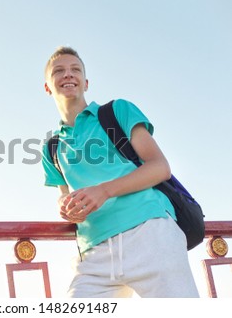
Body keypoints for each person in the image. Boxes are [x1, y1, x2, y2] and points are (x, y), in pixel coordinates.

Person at [41, 46, 199, 298]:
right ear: (48, 87)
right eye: (58, 71)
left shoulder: (117, 111)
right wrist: (64, 206)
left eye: (75, 70)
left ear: (86, 82)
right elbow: (63, 194)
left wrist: (104, 190)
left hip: (150, 233)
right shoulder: (51, 147)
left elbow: (159, 167)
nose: (68, 75)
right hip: (94, 253)